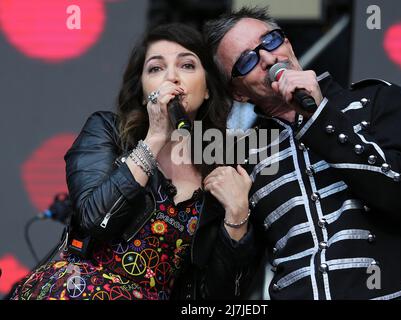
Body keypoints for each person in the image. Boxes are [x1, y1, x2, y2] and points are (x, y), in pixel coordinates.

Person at [203, 6, 401, 299]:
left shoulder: (374, 100)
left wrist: (320, 116)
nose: (266, 58)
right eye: (247, 60)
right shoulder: (243, 154)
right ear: (238, 92)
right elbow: (233, 283)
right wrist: (236, 217)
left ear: (287, 42)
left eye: (271, 41)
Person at [9, 23, 254, 300]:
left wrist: (236, 214)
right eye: (156, 68)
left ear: (207, 88)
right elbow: (95, 220)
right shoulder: (107, 132)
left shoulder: (224, 172)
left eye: (186, 66)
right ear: (142, 91)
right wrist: (154, 139)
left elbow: (218, 298)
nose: (171, 77)